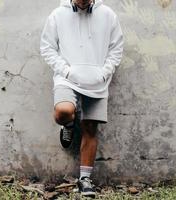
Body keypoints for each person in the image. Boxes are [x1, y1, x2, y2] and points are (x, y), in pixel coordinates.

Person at [40, 0, 123, 198]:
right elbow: (47, 47)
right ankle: (68, 125)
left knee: (90, 127)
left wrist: (104, 73)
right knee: (63, 112)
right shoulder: (58, 15)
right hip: (67, 79)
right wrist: (67, 72)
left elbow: (116, 47)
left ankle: (85, 179)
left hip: (97, 82)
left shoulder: (108, 15)